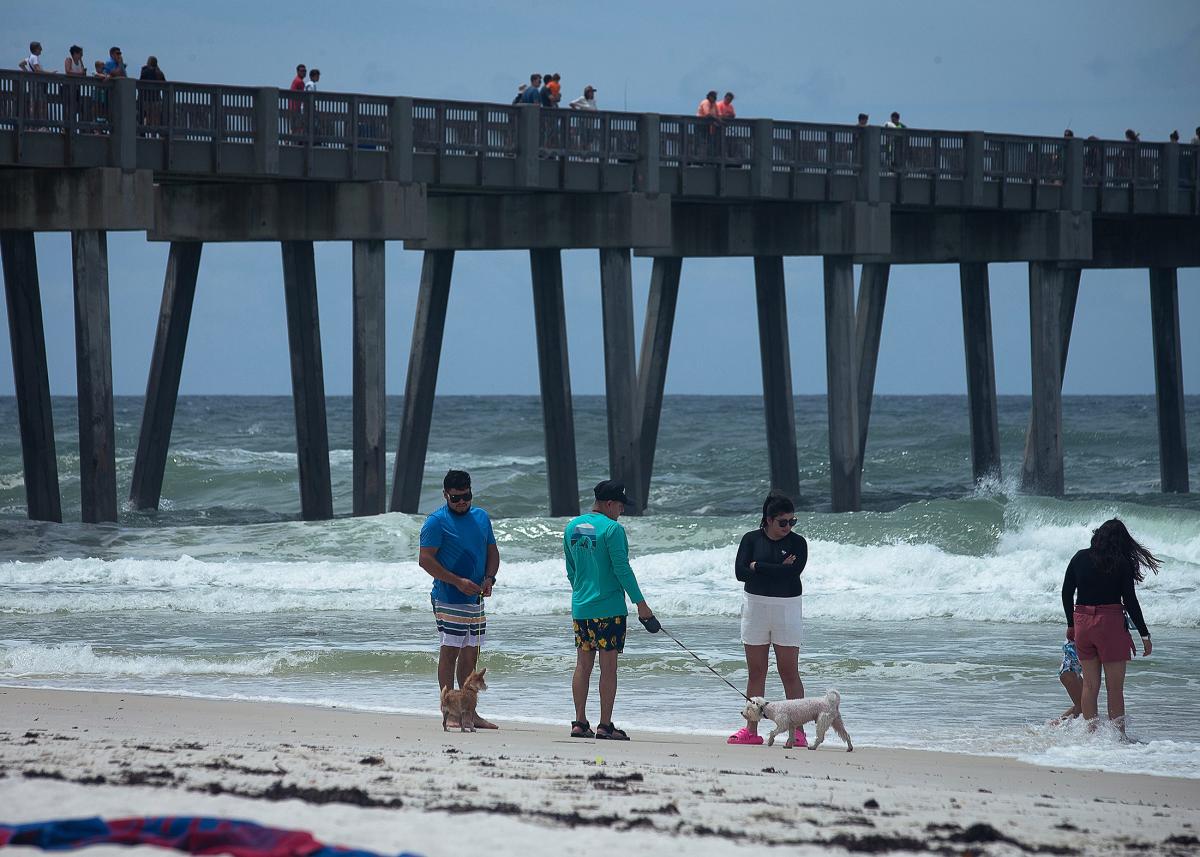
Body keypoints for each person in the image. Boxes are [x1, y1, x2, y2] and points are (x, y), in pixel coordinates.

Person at [564, 480, 655, 741]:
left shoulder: (572, 527)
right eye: (620, 506)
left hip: (581, 607)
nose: (622, 511)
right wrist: (641, 605)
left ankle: (580, 722)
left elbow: (572, 570)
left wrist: (583, 592)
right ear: (608, 504)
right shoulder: (613, 529)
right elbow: (621, 569)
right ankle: (605, 725)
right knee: (608, 667)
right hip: (609, 609)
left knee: (583, 665)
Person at [419, 470, 501, 730]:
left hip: (475, 599)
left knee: (470, 655)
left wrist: (489, 578)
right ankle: (450, 712)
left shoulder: (481, 517)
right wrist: (457, 581)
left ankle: (469, 713)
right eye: (456, 498)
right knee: (450, 652)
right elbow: (425, 560)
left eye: (466, 496)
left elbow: (492, 551)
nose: (462, 502)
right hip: (448, 597)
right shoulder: (436, 522)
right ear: (445, 495)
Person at [1062, 518, 1159, 737]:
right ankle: (1118, 739)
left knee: (1089, 685)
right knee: (1114, 688)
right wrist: (1144, 634)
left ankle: (1090, 735)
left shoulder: (1079, 557)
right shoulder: (1121, 563)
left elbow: (1066, 593)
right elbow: (1131, 601)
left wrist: (1071, 623)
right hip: (1110, 623)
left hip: (1083, 623)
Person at [727, 491, 809, 746]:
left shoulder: (798, 543)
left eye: (791, 522)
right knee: (757, 671)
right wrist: (772, 568)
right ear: (768, 520)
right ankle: (751, 731)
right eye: (783, 522)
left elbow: (791, 573)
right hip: (755, 607)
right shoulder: (751, 539)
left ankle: (798, 732)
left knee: (788, 671)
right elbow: (741, 573)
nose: (788, 527)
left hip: (787, 607)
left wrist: (757, 566)